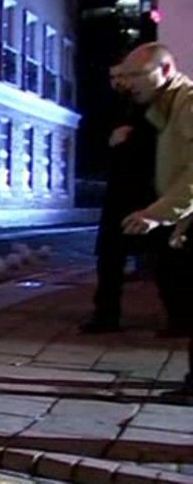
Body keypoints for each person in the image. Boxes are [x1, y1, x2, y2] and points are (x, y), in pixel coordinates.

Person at [119, 42, 193, 397]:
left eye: (137, 74)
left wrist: (157, 214)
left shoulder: (188, 104)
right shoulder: (166, 108)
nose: (129, 83)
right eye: (126, 75)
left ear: (164, 70)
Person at [79, 63, 157, 334]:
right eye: (113, 77)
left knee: (163, 256)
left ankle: (178, 317)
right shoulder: (110, 109)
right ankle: (106, 316)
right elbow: (93, 148)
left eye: (122, 76)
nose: (117, 82)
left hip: (148, 191)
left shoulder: (148, 105)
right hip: (118, 194)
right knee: (110, 258)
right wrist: (110, 142)